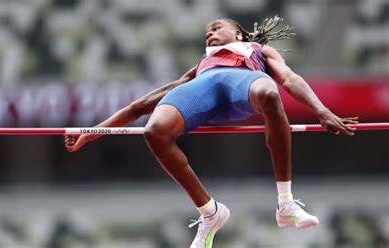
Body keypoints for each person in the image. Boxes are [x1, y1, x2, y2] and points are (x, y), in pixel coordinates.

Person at [64, 16, 359, 248]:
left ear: (240, 34)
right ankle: (210, 212)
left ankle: (286, 203)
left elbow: (290, 79)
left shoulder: (258, 51)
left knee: (270, 92)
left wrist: (321, 111)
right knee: (154, 129)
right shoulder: (200, 65)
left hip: (242, 84)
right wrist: (91, 133)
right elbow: (139, 105)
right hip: (203, 90)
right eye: (206, 32)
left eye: (216, 27)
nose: (209, 33)